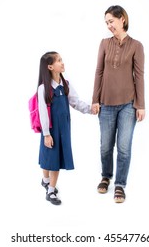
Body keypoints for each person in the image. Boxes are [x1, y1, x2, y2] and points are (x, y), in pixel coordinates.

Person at [91, 5, 145, 203]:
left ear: (122, 19)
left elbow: (139, 76)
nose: (108, 26)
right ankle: (106, 176)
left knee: (124, 147)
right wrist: (95, 100)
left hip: (127, 106)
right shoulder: (104, 43)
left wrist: (141, 105)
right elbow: (99, 72)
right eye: (106, 23)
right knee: (106, 146)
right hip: (105, 103)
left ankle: (120, 184)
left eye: (111, 21)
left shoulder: (136, 46)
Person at [37, 51, 92, 205]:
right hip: (51, 129)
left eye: (62, 59)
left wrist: (90, 109)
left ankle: (47, 182)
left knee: (54, 156)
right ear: (50, 67)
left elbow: (75, 102)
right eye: (59, 61)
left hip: (64, 129)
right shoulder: (43, 89)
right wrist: (47, 134)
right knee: (50, 157)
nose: (62, 62)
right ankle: (50, 190)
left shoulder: (65, 84)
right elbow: (43, 113)